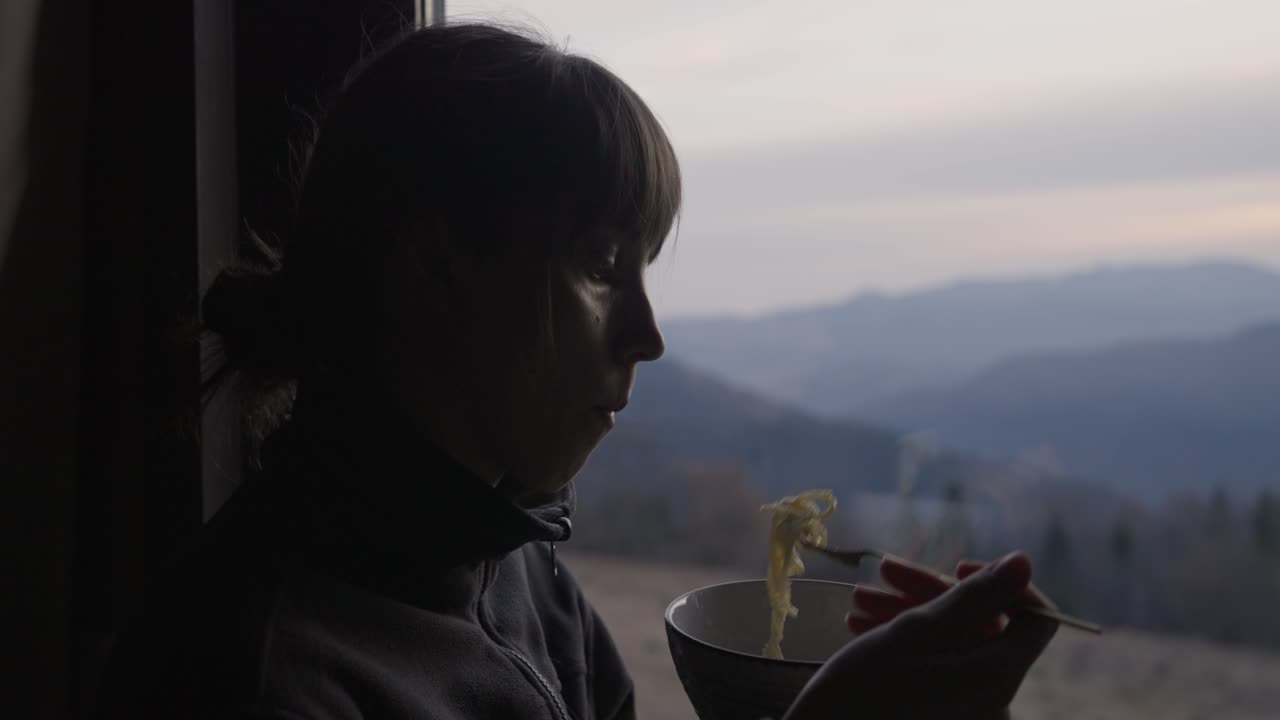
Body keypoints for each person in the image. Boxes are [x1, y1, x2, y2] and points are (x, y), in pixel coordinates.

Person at [96, 22, 1057, 720]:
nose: (647, 334)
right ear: (437, 271)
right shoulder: (260, 679)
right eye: (602, 265)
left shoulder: (515, 569)